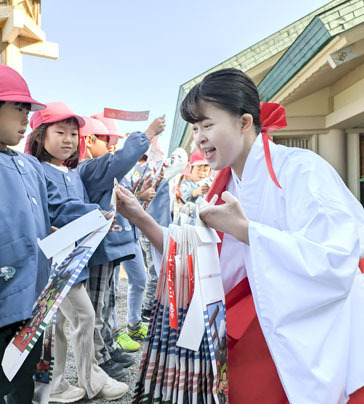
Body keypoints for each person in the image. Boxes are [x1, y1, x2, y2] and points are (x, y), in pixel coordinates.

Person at [115, 68, 364, 403]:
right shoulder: (223, 188)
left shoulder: (303, 169)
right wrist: (140, 218)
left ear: (244, 122)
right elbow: (192, 259)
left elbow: (336, 257)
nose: (199, 138)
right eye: (194, 128)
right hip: (249, 316)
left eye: (207, 125)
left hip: (304, 319)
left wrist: (248, 233)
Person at [0, 62, 99, 404]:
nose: (26, 119)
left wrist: (97, 216)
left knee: (27, 376)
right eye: (18, 109)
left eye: (27, 109)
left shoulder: (28, 164)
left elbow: (56, 207)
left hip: (36, 295)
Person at [25, 104, 129, 402]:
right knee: (73, 319)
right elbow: (56, 210)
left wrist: (96, 223)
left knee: (67, 321)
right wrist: (97, 214)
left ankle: (61, 383)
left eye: (74, 133)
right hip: (54, 261)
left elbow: (74, 210)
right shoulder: (38, 170)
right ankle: (81, 380)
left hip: (73, 259)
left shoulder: (72, 174)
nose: (69, 139)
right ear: (41, 135)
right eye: (60, 132)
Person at [79, 113, 165, 379]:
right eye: (108, 140)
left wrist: (138, 197)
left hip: (110, 246)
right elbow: (121, 161)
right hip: (100, 246)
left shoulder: (98, 169)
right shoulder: (91, 167)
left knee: (106, 302)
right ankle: (99, 359)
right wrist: (147, 134)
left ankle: (106, 348)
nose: (113, 147)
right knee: (96, 305)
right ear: (90, 140)